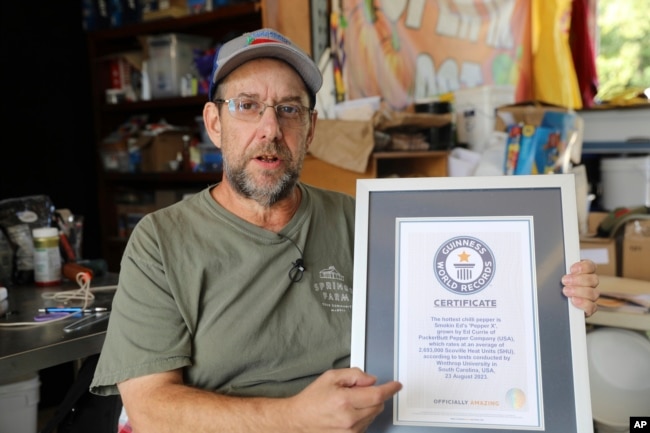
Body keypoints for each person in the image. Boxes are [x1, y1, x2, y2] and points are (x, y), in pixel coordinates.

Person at [90, 28, 600, 433]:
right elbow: (152, 410)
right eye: (247, 106)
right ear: (214, 123)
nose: (270, 129)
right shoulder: (161, 240)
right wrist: (296, 421)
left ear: (310, 130)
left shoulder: (368, 222)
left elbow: (463, 301)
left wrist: (551, 298)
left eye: (289, 109)